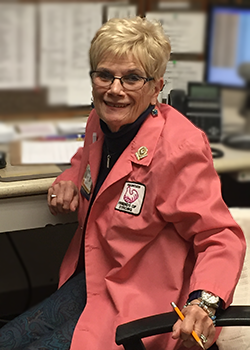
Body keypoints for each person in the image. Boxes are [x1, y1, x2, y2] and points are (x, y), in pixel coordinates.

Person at [0, 16, 246, 350]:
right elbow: (85, 158)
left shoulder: (179, 148)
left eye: (132, 78)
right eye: (105, 75)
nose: (115, 90)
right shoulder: (100, 120)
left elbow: (220, 237)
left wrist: (204, 302)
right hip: (94, 278)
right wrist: (71, 179)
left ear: (156, 86)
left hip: (142, 297)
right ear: (93, 79)